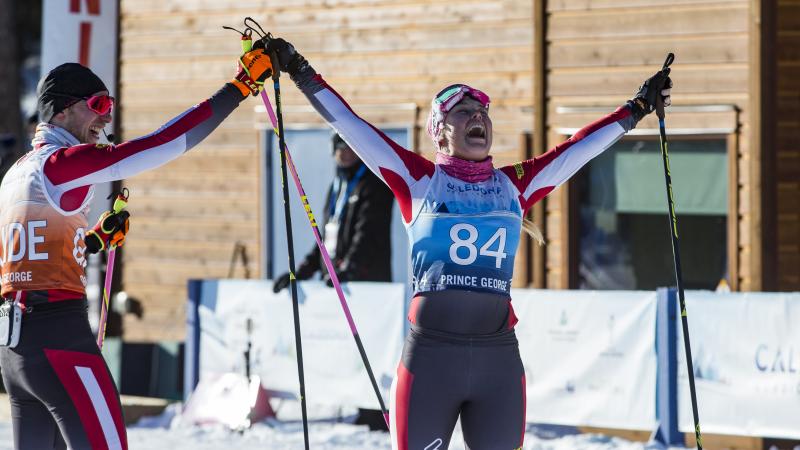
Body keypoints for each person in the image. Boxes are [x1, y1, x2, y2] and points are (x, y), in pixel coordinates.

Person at [263, 38, 671, 448]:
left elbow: (576, 149)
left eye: (483, 113)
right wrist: (299, 69)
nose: (479, 116)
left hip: (498, 363)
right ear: (439, 132)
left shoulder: (514, 186)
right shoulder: (418, 180)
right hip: (430, 361)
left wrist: (636, 108)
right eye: (463, 112)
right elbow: (350, 125)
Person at [0, 41, 274, 449]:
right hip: (61, 340)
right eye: (97, 103)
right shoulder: (63, 163)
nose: (105, 116)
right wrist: (240, 86)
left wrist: (92, 241)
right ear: (61, 110)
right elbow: (163, 144)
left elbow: (24, 257)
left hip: (17, 353)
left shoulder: (16, 174)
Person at [272, 133, 394, 292]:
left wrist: (349, 269)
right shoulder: (336, 187)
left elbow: (368, 235)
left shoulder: (374, 185)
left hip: (364, 286)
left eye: (350, 148)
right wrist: (302, 271)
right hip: (335, 282)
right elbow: (326, 237)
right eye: (339, 149)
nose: (345, 154)